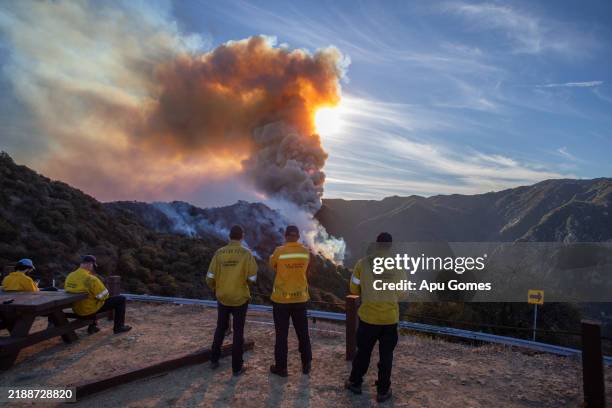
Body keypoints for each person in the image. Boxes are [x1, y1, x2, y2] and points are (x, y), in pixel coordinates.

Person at [345, 232, 401, 403]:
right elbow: (403, 291)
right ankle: (383, 391)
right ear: (390, 246)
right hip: (389, 319)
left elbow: (354, 289)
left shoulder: (362, 263)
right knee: (386, 356)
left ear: (377, 245)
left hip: (368, 318)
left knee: (363, 352)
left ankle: (355, 383)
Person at [206, 225, 257, 376]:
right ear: (242, 236)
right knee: (238, 332)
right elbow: (252, 277)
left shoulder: (219, 253)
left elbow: (209, 277)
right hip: (240, 297)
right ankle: (237, 368)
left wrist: (216, 288)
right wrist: (244, 284)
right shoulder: (246, 253)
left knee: (220, 327)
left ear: (229, 236)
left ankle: (214, 360)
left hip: (222, 296)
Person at [269, 225, 313, 377]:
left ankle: (281, 368)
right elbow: (306, 270)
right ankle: (306, 363)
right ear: (298, 236)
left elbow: (272, 265)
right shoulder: (305, 252)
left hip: (281, 300)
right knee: (303, 332)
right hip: (300, 298)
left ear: (286, 236)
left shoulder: (279, 251)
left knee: (281, 335)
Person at [64, 255, 132, 334]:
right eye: (93, 266)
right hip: (88, 310)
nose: (92, 268)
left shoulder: (70, 276)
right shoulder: (91, 279)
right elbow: (104, 296)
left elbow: (67, 290)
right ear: (90, 264)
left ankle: (93, 327)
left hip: (77, 309)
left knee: (91, 299)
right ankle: (119, 327)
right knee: (121, 299)